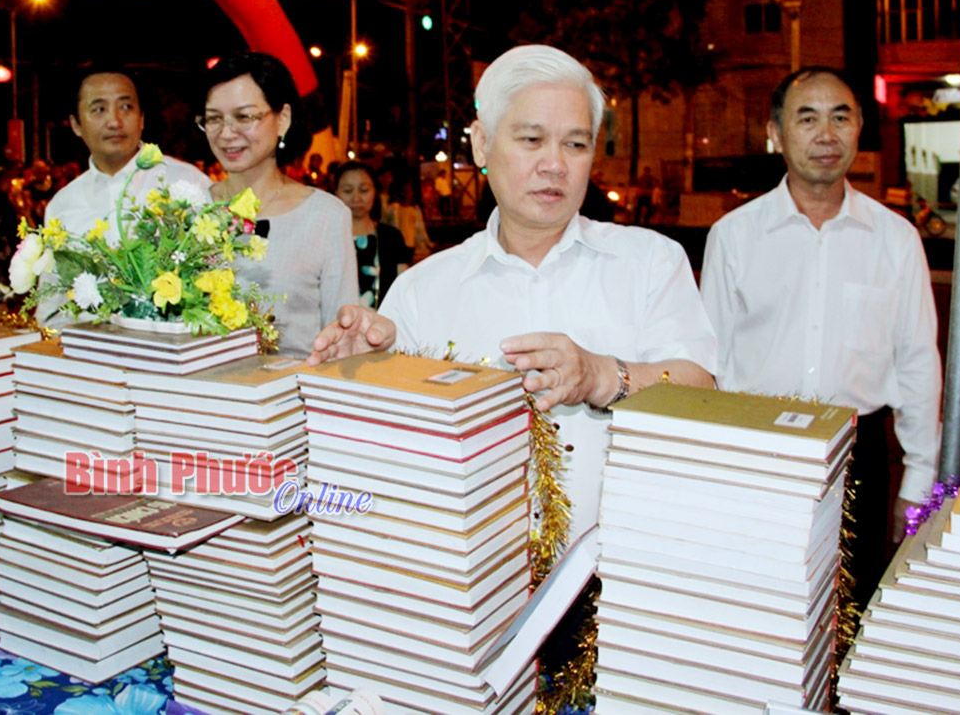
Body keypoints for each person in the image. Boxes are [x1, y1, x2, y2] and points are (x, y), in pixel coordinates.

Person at [307, 45, 717, 538]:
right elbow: (384, 451)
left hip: (624, 576)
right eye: (531, 139)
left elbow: (704, 392)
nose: (555, 164)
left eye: (576, 144)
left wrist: (602, 376)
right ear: (481, 145)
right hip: (470, 579)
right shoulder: (422, 289)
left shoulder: (650, 261)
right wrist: (357, 376)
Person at [699, 67, 941, 601]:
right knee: (755, 603)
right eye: (807, 118)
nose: (826, 134)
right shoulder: (735, 237)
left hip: (860, 456)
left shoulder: (896, 240)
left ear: (859, 129)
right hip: (757, 451)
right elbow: (709, 363)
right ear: (776, 134)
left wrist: (919, 480)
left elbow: (917, 361)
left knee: (848, 610)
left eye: (841, 117)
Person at [199, 52, 358, 358]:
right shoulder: (189, 210)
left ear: (282, 119)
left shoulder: (325, 215)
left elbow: (341, 336)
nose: (227, 132)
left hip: (293, 397)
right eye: (214, 118)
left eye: (244, 116)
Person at [45, 65, 211, 242]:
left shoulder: (187, 182)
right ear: (76, 125)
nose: (114, 122)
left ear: (141, 119)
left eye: (125, 107)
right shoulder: (62, 207)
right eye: (99, 109)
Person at [333, 161, 411, 308]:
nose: (356, 198)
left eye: (364, 190)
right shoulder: (326, 237)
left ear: (375, 192)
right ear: (336, 193)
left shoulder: (391, 237)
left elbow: (403, 288)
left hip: (382, 325)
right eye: (348, 191)